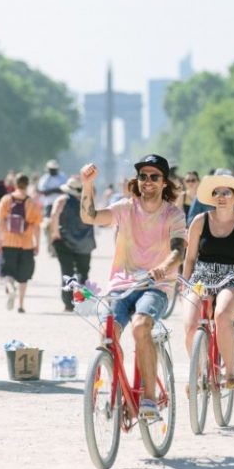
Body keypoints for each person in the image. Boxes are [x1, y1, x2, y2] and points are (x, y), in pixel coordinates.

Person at [80, 154, 186, 419]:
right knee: (107, 334)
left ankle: (148, 398)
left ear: (164, 183)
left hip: (156, 284)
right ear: (137, 181)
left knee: (141, 326)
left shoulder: (173, 214)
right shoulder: (124, 208)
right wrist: (87, 184)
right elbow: (89, 216)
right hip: (121, 285)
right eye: (143, 176)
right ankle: (120, 391)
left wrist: (164, 266)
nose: (147, 181)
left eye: (154, 177)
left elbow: (179, 251)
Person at [182, 172, 234, 390]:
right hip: (201, 277)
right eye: (217, 193)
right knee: (190, 324)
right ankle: (197, 374)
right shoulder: (199, 221)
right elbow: (190, 258)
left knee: (222, 315)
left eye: (226, 192)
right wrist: (184, 284)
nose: (221, 196)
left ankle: (231, 372)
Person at [0, 173, 43, 313]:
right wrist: (37, 243)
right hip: (26, 244)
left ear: (15, 184)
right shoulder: (32, 203)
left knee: (7, 272)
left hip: (8, 242)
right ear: (27, 185)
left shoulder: (6, 199)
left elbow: (0, 221)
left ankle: (10, 289)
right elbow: (37, 226)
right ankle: (21, 305)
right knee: (23, 276)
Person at [49, 176, 96, 312]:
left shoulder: (62, 200)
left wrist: (55, 233)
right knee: (83, 273)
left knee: (67, 273)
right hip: (85, 243)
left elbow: (54, 215)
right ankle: (82, 302)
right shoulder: (88, 202)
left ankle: (69, 304)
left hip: (65, 241)